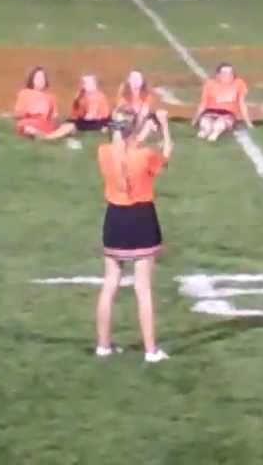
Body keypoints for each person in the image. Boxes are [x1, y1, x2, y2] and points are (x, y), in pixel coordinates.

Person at [95, 106, 172, 363]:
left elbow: (123, 155)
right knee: (143, 289)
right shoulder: (145, 155)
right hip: (141, 220)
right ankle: (151, 351)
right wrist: (164, 127)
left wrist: (140, 132)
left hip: (114, 219)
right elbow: (166, 158)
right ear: (134, 130)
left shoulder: (103, 152)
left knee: (109, 285)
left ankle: (103, 346)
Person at [194, 63, 252, 141]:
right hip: (210, 112)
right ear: (218, 75)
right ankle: (204, 132)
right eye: (225, 73)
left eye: (230, 73)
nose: (228, 75)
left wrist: (248, 122)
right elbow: (203, 103)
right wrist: (195, 119)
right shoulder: (210, 84)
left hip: (227, 114)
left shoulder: (239, 83)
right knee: (206, 127)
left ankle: (214, 134)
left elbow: (242, 103)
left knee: (219, 125)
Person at [46, 74, 112, 140]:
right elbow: (77, 114)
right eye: (84, 83)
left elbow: (91, 116)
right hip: (88, 121)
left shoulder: (98, 96)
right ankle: (51, 136)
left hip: (99, 122)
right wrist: (77, 101)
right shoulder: (82, 95)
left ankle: (50, 137)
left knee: (71, 125)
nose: (84, 85)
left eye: (86, 83)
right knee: (69, 123)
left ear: (94, 85)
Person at [13, 66, 60, 138]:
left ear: (45, 80)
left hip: (45, 125)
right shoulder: (24, 93)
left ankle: (45, 136)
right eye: (37, 78)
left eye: (42, 78)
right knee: (26, 127)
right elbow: (17, 115)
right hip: (29, 123)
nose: (40, 81)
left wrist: (54, 119)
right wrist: (29, 112)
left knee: (70, 127)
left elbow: (54, 118)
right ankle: (47, 136)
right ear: (32, 79)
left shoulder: (50, 97)